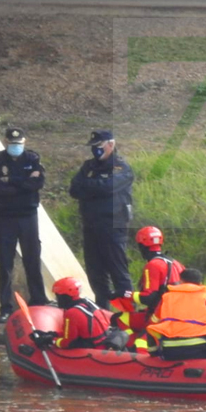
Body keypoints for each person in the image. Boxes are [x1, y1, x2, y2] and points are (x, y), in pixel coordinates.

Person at [0, 127, 48, 323]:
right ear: (5, 142)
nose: (15, 147)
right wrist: (23, 183)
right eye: (12, 144)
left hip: (28, 216)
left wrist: (11, 181)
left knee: (32, 259)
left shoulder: (32, 159)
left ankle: (38, 302)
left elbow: (38, 184)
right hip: (5, 217)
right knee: (5, 263)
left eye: (18, 144)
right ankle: (6, 307)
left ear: (24, 142)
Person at [69, 130, 134, 308]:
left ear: (110, 145)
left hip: (113, 225)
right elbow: (74, 189)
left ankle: (129, 312)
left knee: (117, 270)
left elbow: (107, 188)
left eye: (99, 147)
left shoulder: (121, 167)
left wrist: (88, 186)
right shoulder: (88, 166)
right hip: (91, 224)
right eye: (93, 147)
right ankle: (103, 312)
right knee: (95, 272)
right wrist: (95, 187)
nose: (95, 151)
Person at [111, 226, 185, 349]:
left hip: (162, 318)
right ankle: (132, 342)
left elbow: (149, 298)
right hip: (175, 315)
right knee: (120, 318)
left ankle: (135, 348)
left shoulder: (153, 265)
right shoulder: (176, 263)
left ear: (141, 246)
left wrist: (124, 293)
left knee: (140, 346)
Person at [145, 268, 206, 360]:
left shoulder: (166, 298)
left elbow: (152, 324)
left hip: (170, 349)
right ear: (200, 283)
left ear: (181, 281)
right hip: (199, 348)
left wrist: (153, 353)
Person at [30, 277, 127, 351]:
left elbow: (68, 342)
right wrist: (51, 334)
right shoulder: (88, 302)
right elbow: (71, 333)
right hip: (103, 341)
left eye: (58, 296)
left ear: (65, 296)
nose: (57, 299)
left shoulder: (72, 313)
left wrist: (52, 341)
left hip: (95, 349)